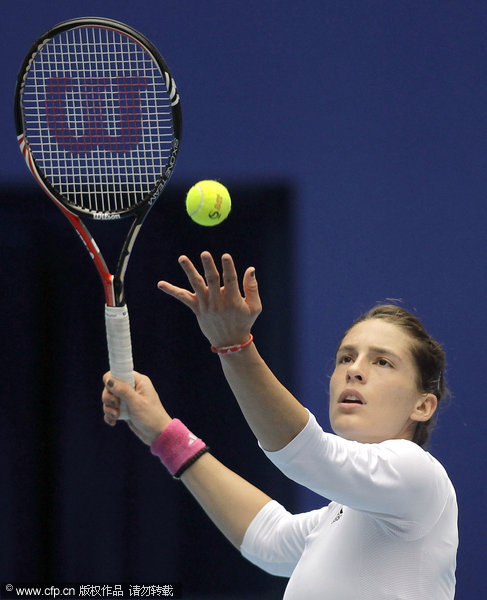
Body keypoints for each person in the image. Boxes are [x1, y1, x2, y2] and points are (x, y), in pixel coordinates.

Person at [101, 251, 458, 599]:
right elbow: (268, 539)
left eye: (382, 362)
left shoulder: (417, 476)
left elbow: (308, 453)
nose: (354, 369)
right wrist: (165, 434)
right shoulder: (343, 515)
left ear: (422, 405)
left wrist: (234, 345)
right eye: (346, 357)